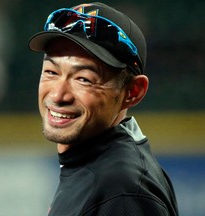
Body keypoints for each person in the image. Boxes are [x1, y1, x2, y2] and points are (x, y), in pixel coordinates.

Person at [28, 2, 179, 216]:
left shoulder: (121, 191)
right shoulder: (94, 168)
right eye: (51, 72)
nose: (58, 95)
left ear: (132, 92)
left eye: (84, 79)